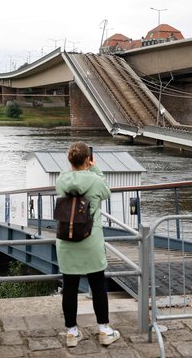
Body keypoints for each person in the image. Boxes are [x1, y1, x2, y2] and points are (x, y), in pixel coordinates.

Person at [55, 141, 121, 347]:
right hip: (90, 239)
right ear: (87, 159)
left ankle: (72, 333)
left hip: (66, 240)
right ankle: (103, 330)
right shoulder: (94, 179)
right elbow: (106, 191)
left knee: (70, 287)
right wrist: (95, 168)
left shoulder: (61, 179)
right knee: (98, 285)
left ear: (69, 160)